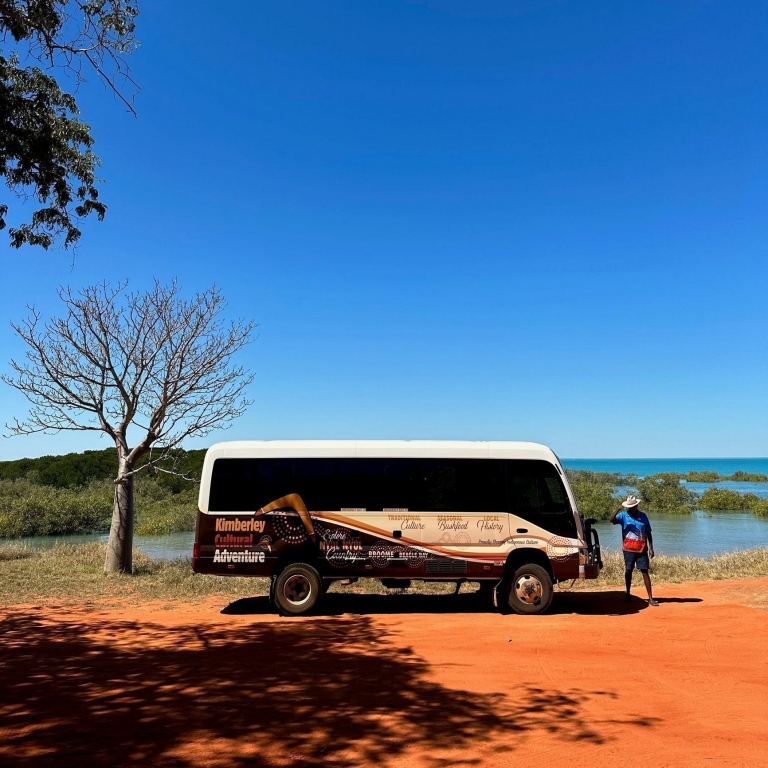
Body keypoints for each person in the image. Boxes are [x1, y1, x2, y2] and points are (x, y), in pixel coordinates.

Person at [610, 495, 658, 607]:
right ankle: (627, 594)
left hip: (642, 548)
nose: (631, 508)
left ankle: (650, 598)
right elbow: (611, 520)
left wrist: (651, 547)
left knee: (645, 571)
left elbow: (648, 533)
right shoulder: (623, 515)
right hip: (628, 548)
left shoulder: (643, 516)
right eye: (629, 506)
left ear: (636, 505)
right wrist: (618, 509)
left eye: (633, 506)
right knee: (628, 570)